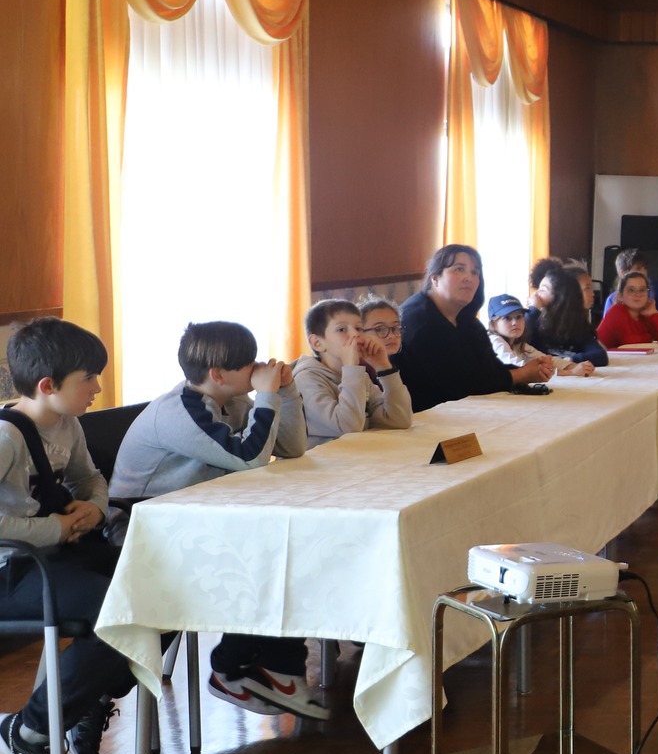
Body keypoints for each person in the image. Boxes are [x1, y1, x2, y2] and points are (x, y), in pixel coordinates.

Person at [110, 322, 324, 721]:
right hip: (142, 533)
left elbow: (292, 448)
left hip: (196, 520)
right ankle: (242, 668)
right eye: (249, 363)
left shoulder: (233, 398)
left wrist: (286, 391)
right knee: (273, 554)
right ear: (218, 375)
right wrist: (266, 394)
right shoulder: (180, 411)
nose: (259, 367)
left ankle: (257, 668)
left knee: (291, 544)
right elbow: (250, 458)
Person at [0, 319, 128, 754]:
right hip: (12, 570)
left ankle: (86, 698)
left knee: (159, 585)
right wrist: (53, 528)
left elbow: (91, 479)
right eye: (89, 379)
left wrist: (94, 507)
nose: (98, 387)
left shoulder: (67, 423)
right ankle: (30, 731)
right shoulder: (7, 438)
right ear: (48, 386)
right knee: (114, 608)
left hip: (55, 557)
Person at [397, 245, 550, 411]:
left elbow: (487, 370)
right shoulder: (418, 319)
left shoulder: (467, 321)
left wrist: (531, 369)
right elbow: (459, 384)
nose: (468, 278)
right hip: (421, 417)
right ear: (435, 278)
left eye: (475, 272)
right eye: (459, 269)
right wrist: (521, 375)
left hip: (462, 412)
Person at [292, 298, 414, 447]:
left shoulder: (358, 375)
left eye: (359, 328)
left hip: (358, 457)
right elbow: (347, 427)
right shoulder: (306, 378)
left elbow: (399, 420)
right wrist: (351, 369)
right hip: (321, 464)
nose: (355, 335)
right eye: (342, 330)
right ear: (317, 342)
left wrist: (384, 368)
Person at [529, 264, 605, 372]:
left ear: (559, 297)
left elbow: (600, 355)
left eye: (543, 290)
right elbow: (521, 346)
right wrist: (533, 309)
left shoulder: (577, 325)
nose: (536, 295)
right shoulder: (533, 319)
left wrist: (569, 360)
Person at [596, 271, 658, 349]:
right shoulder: (616, 311)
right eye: (631, 290)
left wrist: (654, 314)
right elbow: (632, 344)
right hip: (607, 362)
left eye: (642, 290)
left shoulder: (648, 315)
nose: (637, 294)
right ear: (620, 296)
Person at [603, 248, 658, 327]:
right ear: (623, 273)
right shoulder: (612, 299)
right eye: (638, 269)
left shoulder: (654, 288)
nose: (644, 272)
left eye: (645, 268)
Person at [486, 294, 556, 373]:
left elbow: (549, 360)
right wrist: (556, 372)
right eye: (507, 318)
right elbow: (518, 369)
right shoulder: (494, 341)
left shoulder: (518, 344)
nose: (515, 323)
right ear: (493, 324)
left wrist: (570, 367)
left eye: (519, 317)